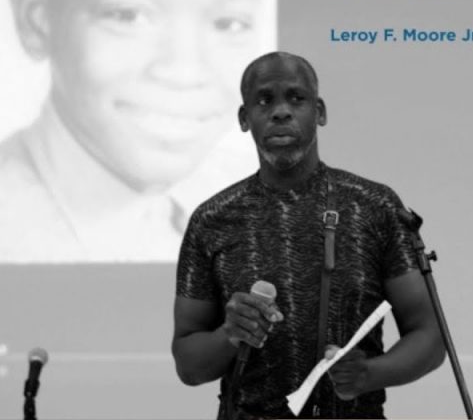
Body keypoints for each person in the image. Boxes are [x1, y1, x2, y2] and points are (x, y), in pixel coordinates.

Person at [0, 0, 274, 263]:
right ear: (37, 19)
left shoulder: (263, 203)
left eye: (228, 22)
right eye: (128, 14)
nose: (183, 70)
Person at [172, 52, 445, 418]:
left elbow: (430, 336)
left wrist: (369, 374)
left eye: (296, 98)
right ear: (243, 118)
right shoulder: (212, 220)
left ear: (319, 112)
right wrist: (230, 335)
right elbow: (189, 365)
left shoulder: (375, 207)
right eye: (264, 100)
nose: (281, 111)